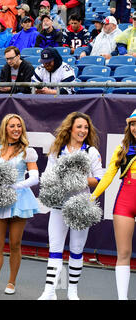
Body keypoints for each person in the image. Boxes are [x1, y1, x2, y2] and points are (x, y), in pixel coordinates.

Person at [38, 112, 104, 300]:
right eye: (79, 127)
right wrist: (59, 182)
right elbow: (48, 176)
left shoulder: (91, 151)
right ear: (70, 128)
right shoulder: (57, 149)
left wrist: (79, 181)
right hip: (58, 206)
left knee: (76, 249)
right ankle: (49, 291)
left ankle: (72, 291)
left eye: (86, 127)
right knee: (55, 249)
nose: (83, 130)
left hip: (81, 207)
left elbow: (99, 179)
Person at [0, 113, 39, 296]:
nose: (16, 129)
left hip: (19, 199)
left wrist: (16, 185)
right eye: (12, 126)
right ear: (5, 128)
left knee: (15, 244)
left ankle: (11, 282)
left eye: (19, 126)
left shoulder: (27, 151)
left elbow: (35, 177)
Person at [91, 109, 136, 300]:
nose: (135, 128)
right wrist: (92, 197)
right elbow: (108, 175)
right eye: (132, 124)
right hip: (125, 201)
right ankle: (122, 298)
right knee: (123, 252)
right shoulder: (122, 149)